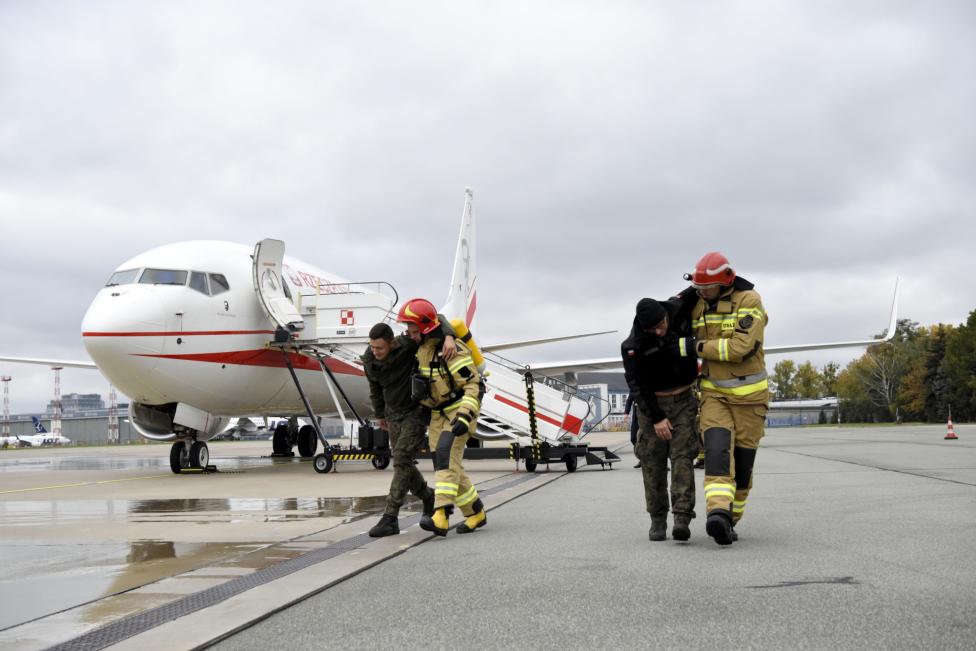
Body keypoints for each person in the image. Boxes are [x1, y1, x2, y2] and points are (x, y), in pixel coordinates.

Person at [673, 252, 768, 545]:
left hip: (750, 400)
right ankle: (717, 514)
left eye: (708, 287)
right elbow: (669, 319)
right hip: (714, 396)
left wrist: (695, 347)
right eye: (698, 287)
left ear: (725, 282)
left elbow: (740, 348)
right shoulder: (697, 302)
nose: (702, 293)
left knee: (742, 466)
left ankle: (731, 518)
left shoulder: (749, 301)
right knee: (716, 454)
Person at [397, 297, 486, 537]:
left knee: (446, 458)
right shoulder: (422, 348)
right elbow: (440, 322)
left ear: (425, 329)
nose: (409, 334)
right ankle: (475, 512)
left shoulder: (451, 351)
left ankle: (441, 515)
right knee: (447, 465)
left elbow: (474, 385)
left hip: (458, 411)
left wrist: (465, 416)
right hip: (438, 414)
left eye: (413, 330)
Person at [363, 319, 457, 538]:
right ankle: (427, 496)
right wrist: (379, 414)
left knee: (402, 459)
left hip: (415, 411)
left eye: (379, 347)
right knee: (402, 463)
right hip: (393, 414)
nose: (375, 351)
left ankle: (390, 517)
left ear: (391, 344)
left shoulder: (406, 345)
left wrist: (450, 336)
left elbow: (436, 319)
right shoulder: (370, 360)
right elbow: (374, 388)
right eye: (372, 346)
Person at [622, 294, 700, 542]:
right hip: (651, 407)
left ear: (665, 317)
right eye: (652, 329)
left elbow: (698, 287)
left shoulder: (677, 309)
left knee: (682, 459)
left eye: (661, 326)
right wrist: (656, 418)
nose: (658, 332)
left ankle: (682, 517)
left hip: (683, 402)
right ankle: (657, 520)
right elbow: (637, 386)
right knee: (652, 463)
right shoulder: (633, 345)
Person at [625, 394, 640, 468]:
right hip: (636, 418)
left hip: (649, 416)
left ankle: (660, 463)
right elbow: (629, 400)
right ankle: (641, 458)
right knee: (633, 439)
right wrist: (626, 413)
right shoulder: (635, 385)